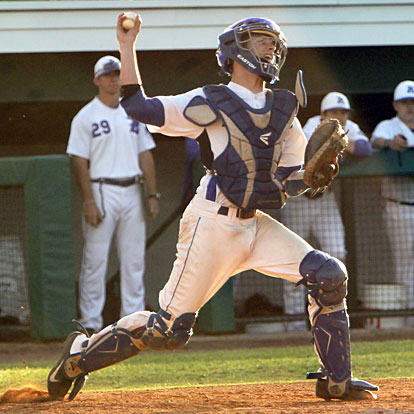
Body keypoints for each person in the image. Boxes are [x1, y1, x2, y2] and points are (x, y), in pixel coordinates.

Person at [47, 14, 378, 402]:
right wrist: (127, 44)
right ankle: (76, 357)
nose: (270, 47)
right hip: (213, 223)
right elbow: (138, 107)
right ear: (235, 51)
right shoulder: (211, 99)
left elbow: (288, 180)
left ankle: (337, 380)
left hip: (255, 225)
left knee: (329, 275)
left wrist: (312, 177)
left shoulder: (285, 106)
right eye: (259, 40)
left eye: (272, 41)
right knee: (168, 331)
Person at [66, 55, 160, 335]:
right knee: (95, 260)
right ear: (97, 80)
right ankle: (90, 323)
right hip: (101, 188)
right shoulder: (86, 115)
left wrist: (153, 195)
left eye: (117, 74)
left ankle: (132, 322)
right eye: (107, 75)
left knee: (133, 260)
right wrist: (89, 199)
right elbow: (78, 160)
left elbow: (146, 154)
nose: (113, 79)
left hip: (133, 188)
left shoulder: (133, 111)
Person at [281, 92, 372, 331]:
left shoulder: (348, 126)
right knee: (292, 258)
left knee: (337, 251)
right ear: (323, 114)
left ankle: (336, 312)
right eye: (333, 113)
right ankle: (292, 322)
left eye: (342, 112)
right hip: (300, 199)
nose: (338, 117)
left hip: (325, 201)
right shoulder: (312, 125)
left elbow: (365, 148)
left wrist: (342, 142)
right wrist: (332, 144)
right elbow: (305, 152)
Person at [371, 80, 414, 324]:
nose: (410, 107)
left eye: (413, 102)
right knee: (405, 263)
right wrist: (390, 144)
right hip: (398, 204)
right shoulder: (388, 126)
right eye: (405, 102)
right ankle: (407, 319)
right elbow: (375, 141)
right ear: (396, 105)